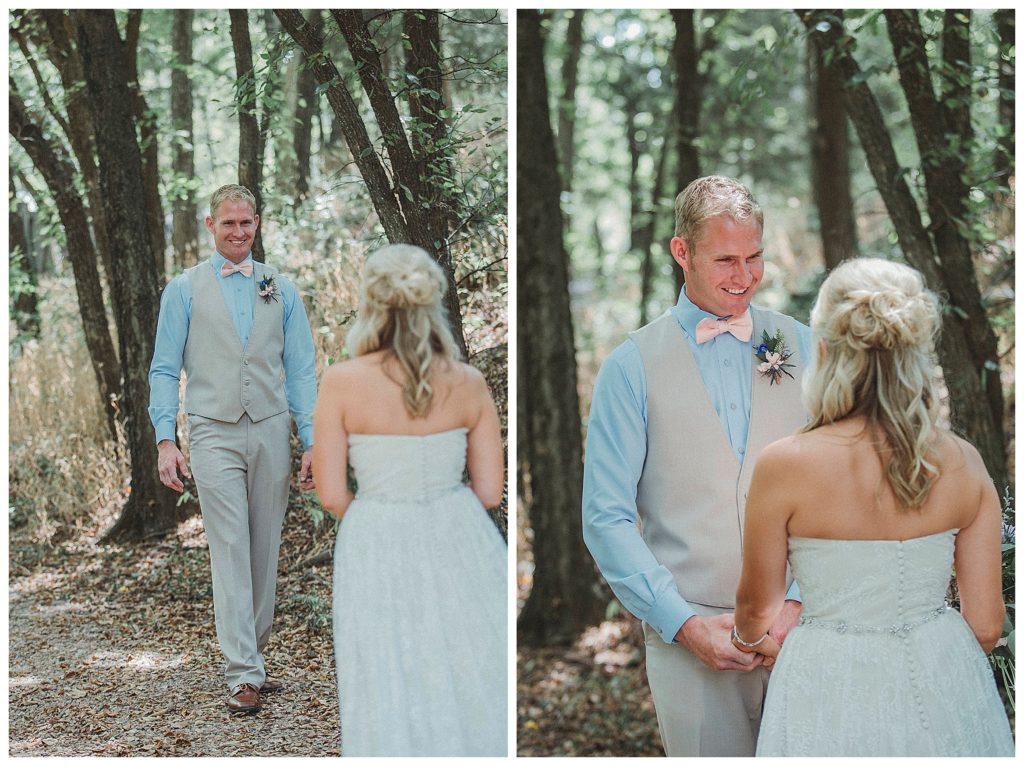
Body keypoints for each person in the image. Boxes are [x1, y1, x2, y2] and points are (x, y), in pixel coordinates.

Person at [733, 257, 1014, 756]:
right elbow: (988, 626)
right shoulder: (964, 464)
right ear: (916, 355)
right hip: (941, 676)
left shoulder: (784, 465)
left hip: (824, 680)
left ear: (824, 350)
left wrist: (751, 640)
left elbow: (757, 606)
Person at [582, 175, 812, 756]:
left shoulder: (805, 348)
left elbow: (842, 488)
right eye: (726, 260)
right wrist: (682, 625)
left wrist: (801, 600)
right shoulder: (630, 367)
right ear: (681, 252)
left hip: (806, 629)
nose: (745, 276)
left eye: (754, 256)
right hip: (689, 637)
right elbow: (606, 517)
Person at [312, 244, 507, 756]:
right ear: (431, 302)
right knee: (468, 667)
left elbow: (331, 494)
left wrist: (380, 515)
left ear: (370, 304)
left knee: (384, 668)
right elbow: (489, 491)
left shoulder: (340, 383)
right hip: (460, 536)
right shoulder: (468, 383)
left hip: (375, 536)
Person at [148, 184, 317, 714]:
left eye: (246, 224)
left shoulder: (281, 288)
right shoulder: (182, 290)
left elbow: (302, 370)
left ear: (258, 224)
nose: (238, 233)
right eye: (228, 224)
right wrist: (165, 438)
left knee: (264, 547)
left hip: (270, 427)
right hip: (212, 430)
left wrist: (312, 439)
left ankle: (255, 658)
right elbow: (164, 368)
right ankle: (242, 671)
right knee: (229, 546)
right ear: (210, 225)